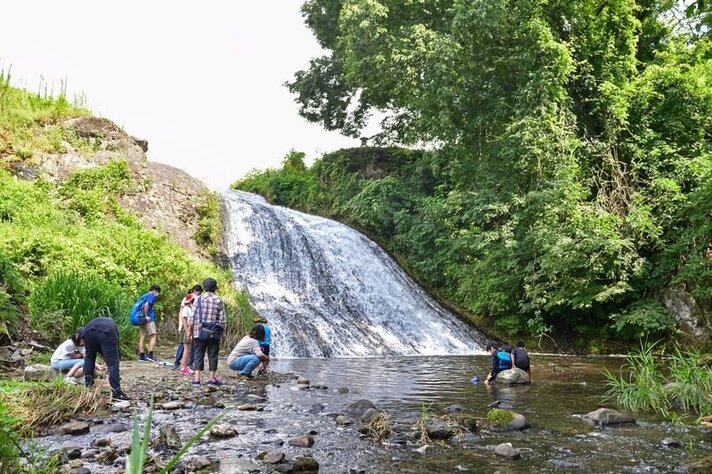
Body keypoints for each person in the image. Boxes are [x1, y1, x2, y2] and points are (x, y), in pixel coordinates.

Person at [83, 316, 130, 400]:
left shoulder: (98, 322)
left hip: (87, 331)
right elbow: (115, 347)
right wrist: (115, 357)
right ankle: (116, 392)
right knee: (113, 363)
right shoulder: (112, 327)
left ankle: (89, 386)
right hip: (106, 331)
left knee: (89, 358)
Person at [191, 278, 226, 387]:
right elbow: (223, 319)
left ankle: (197, 379)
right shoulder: (218, 300)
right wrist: (223, 333)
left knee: (198, 354)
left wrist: (189, 331)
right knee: (213, 354)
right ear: (215, 288)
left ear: (204, 288)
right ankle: (211, 378)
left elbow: (192, 316)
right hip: (213, 332)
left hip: (199, 331)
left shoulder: (198, 299)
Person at [173, 284, 203, 371]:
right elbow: (182, 315)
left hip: (193, 327)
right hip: (186, 327)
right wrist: (181, 326)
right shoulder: (186, 303)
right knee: (183, 345)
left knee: (192, 346)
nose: (198, 293)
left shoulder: (198, 300)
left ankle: (189, 364)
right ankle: (178, 362)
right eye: (197, 291)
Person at [136, 284, 161, 362]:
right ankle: (150, 355)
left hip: (141, 318)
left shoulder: (144, 296)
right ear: (154, 290)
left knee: (142, 336)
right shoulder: (151, 295)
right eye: (157, 292)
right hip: (148, 319)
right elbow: (146, 305)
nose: (157, 294)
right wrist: (147, 316)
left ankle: (142, 356)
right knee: (153, 335)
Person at [176, 292, 196, 375]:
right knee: (186, 349)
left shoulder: (190, 309)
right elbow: (184, 320)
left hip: (189, 329)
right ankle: (183, 368)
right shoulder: (186, 309)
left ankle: (185, 366)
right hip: (187, 329)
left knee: (188, 349)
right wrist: (187, 331)